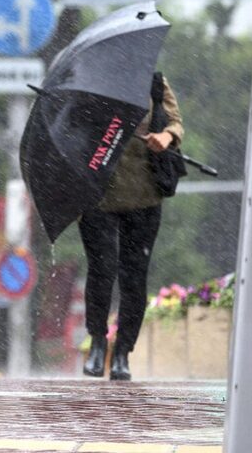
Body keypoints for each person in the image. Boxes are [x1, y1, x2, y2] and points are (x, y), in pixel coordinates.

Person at [80, 74, 184, 382]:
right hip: (98, 197)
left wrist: (166, 137)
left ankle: (123, 351)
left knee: (134, 275)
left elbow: (176, 123)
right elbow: (74, 132)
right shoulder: (91, 82)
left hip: (144, 196)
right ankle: (98, 342)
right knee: (102, 269)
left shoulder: (153, 81)